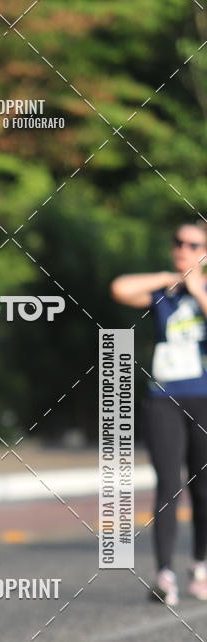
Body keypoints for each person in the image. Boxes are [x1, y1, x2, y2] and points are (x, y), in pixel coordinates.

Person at [111, 221, 207, 607]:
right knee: (168, 483)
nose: (183, 248)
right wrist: (171, 278)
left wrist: (196, 287)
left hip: (204, 399)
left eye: (193, 244)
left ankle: (200, 566)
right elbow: (120, 288)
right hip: (164, 398)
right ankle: (164, 575)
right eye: (178, 242)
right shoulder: (164, 293)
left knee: (203, 488)